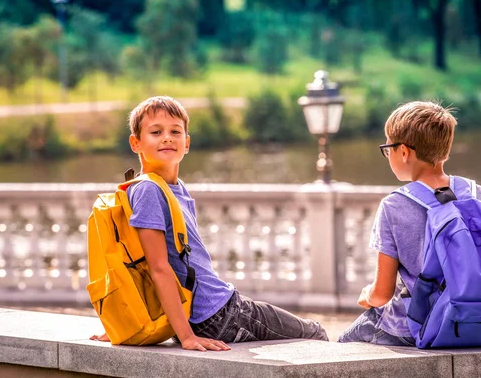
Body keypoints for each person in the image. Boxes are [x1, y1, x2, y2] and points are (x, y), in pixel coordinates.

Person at [91, 96, 328, 351]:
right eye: (156, 132)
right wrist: (187, 337)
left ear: (187, 143)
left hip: (208, 310)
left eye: (175, 131)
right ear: (135, 143)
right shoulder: (149, 190)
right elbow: (157, 268)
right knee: (315, 332)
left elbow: (142, 261)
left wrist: (124, 325)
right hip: (217, 314)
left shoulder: (171, 187)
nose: (167, 138)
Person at [337, 101, 481, 346]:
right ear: (446, 150)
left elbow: (383, 293)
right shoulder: (477, 193)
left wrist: (368, 296)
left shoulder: (394, 205)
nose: (387, 155)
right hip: (480, 319)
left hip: (414, 328)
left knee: (342, 344)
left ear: (404, 152)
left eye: (388, 148)